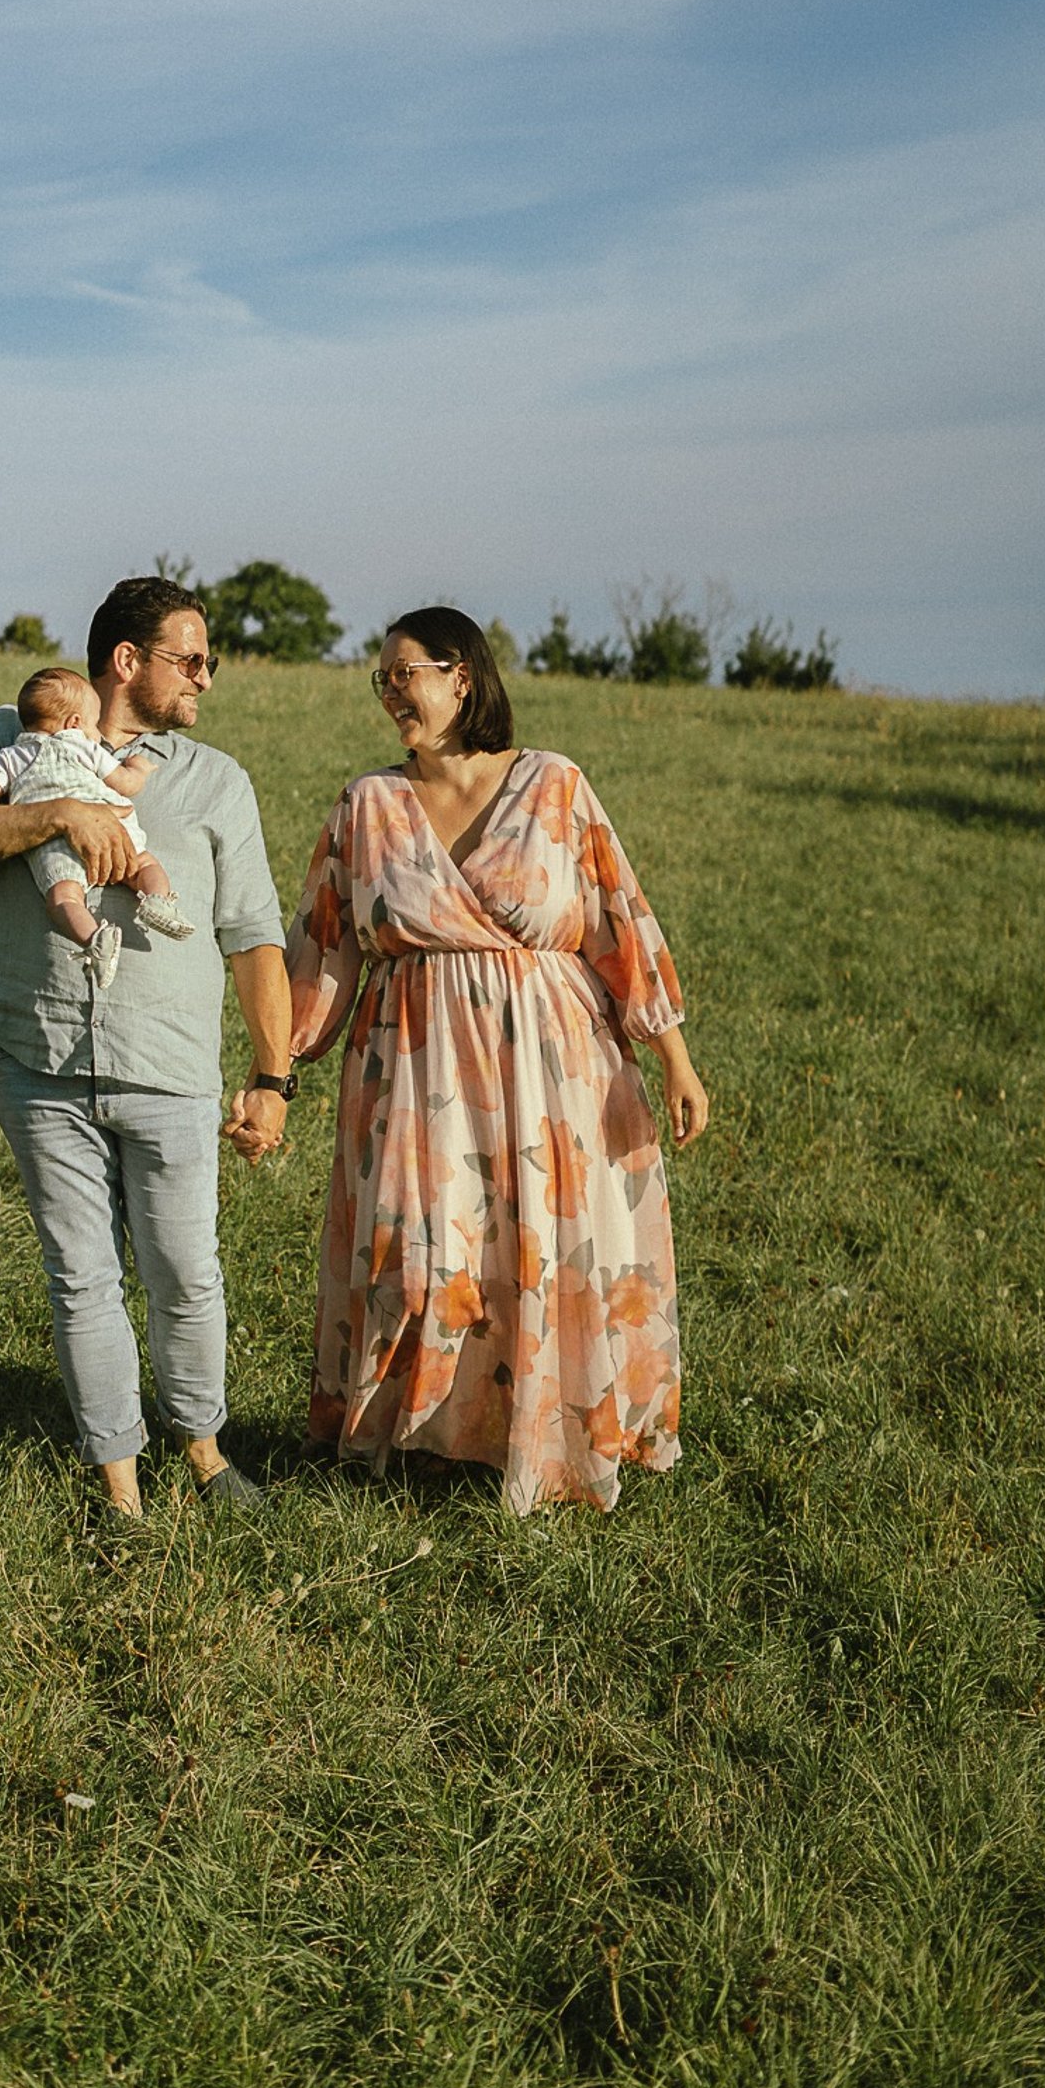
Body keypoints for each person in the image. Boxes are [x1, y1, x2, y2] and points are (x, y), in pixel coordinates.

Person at [286, 606, 710, 1516]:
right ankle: (423, 1434)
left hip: (554, 1066)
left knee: (538, 1249)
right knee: (421, 1249)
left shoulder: (554, 784)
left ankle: (534, 1441)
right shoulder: (368, 804)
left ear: (461, 677)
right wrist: (272, 1069)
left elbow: (620, 920)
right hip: (413, 1063)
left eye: (407, 673)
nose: (392, 692)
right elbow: (325, 950)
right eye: (383, 680)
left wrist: (673, 1057)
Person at [0, 576, 294, 1520]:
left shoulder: (214, 779)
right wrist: (58, 817)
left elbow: (252, 935)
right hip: (36, 1054)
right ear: (129, 661)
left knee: (185, 1273)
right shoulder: (13, 728)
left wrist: (272, 1076)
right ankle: (119, 1490)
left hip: (169, 1067)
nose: (206, 678)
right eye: (192, 658)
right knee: (81, 1278)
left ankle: (205, 1451)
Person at [0, 663, 193, 991]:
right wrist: (139, 768)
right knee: (144, 863)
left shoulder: (13, 754)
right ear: (74, 723)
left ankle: (96, 938)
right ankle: (156, 900)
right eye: (93, 724)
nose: (96, 732)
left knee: (64, 899)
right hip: (113, 827)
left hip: (54, 846)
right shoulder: (82, 745)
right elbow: (125, 783)